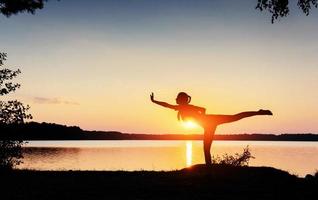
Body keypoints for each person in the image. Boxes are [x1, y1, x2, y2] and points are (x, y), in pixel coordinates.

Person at [150, 92, 272, 165]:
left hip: (211, 121)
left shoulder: (187, 107)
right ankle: (209, 170)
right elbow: (166, 105)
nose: (176, 101)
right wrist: (154, 101)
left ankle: (259, 112)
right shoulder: (181, 108)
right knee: (206, 148)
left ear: (181, 100)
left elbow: (203, 109)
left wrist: (202, 119)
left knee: (235, 117)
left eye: (178, 99)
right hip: (208, 125)